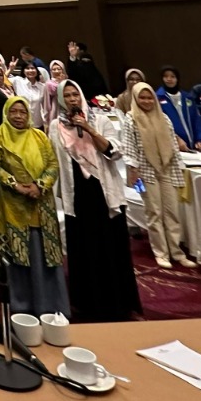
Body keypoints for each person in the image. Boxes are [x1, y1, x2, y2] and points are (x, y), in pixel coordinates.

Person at [51, 80, 140, 322]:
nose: (72, 99)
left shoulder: (100, 120)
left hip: (104, 193)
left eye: (75, 94)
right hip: (77, 195)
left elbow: (114, 152)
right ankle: (87, 304)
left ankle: (119, 303)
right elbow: (53, 160)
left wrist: (89, 129)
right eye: (67, 96)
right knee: (84, 249)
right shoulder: (56, 127)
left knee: (110, 248)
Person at [0, 96, 69, 318]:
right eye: (13, 112)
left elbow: (52, 164)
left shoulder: (39, 136)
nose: (18, 116)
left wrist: (39, 186)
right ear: (6, 113)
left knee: (45, 255)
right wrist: (15, 184)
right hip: (13, 206)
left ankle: (51, 305)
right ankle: (23, 307)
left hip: (41, 204)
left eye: (22, 112)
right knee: (19, 255)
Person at [120, 83, 194, 269]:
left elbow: (173, 145)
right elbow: (129, 147)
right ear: (136, 99)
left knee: (172, 212)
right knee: (154, 212)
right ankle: (161, 253)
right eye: (142, 98)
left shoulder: (164, 117)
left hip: (167, 168)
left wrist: (180, 167)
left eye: (149, 97)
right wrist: (133, 171)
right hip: (145, 172)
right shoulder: (131, 118)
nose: (146, 101)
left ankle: (176, 251)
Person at [156, 67, 201, 150]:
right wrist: (175, 139)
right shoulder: (157, 98)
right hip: (171, 147)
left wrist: (200, 139)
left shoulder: (188, 97)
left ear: (177, 79)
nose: (169, 79)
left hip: (192, 147)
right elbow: (159, 125)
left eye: (172, 76)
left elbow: (197, 120)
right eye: (166, 76)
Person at [12, 61, 50, 129]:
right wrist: (10, 69)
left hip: (37, 124)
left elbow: (45, 106)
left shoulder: (42, 87)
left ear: (37, 70)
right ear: (23, 71)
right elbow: (2, 80)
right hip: (21, 123)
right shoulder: (17, 81)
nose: (30, 70)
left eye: (32, 68)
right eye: (27, 68)